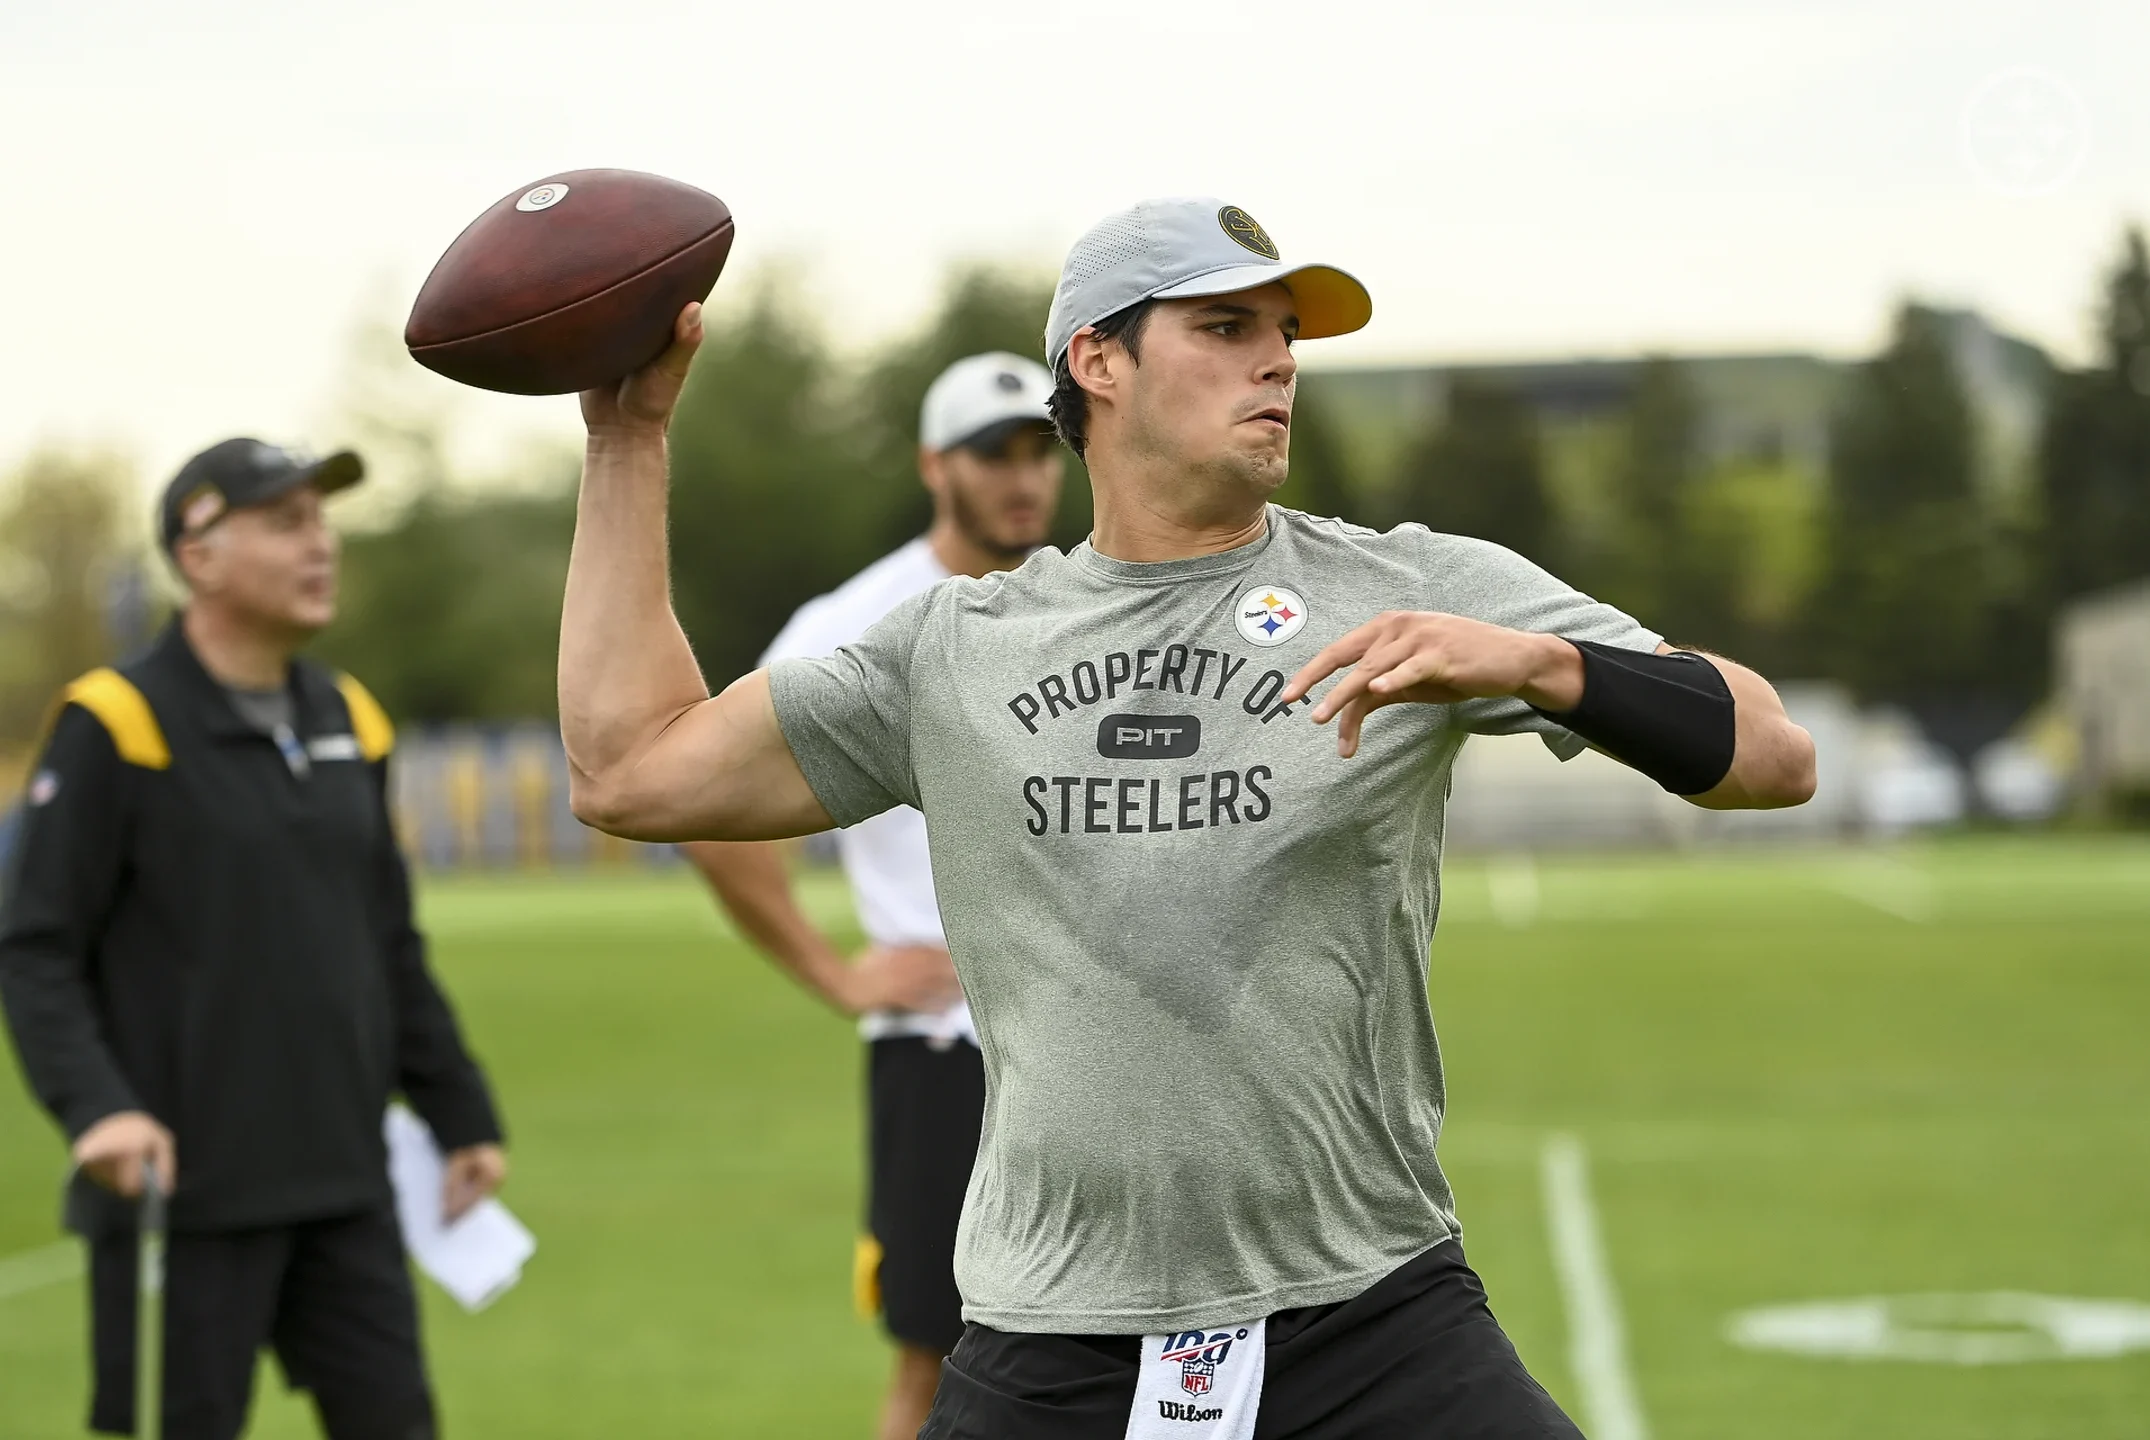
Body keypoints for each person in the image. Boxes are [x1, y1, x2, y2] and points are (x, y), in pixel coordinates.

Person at [556, 198, 1816, 1438]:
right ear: (1096, 361)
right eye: (1221, 326)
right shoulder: (953, 649)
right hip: (1049, 1341)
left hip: (1370, 1315)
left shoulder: (1415, 583)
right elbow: (632, 772)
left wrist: (1540, 664)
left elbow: (1768, 752)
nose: (1273, 358)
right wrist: (627, 444)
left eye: (1283, 333)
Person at [0, 439, 508, 1440]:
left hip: (344, 1186)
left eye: (322, 521)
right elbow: (33, 946)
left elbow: (387, 942)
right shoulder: (116, 722)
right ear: (198, 553)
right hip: (180, 1200)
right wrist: (96, 1110)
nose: (319, 545)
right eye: (285, 523)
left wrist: (459, 1107)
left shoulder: (349, 718)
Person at [681, 351, 1063, 1440]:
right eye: (995, 454)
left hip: (1094, 1042)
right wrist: (832, 971)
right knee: (935, 1370)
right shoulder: (853, 621)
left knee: (1151, 1354)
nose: (1023, 478)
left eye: (1042, 451)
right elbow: (707, 804)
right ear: (932, 466)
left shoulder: (1088, 595)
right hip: (941, 1055)